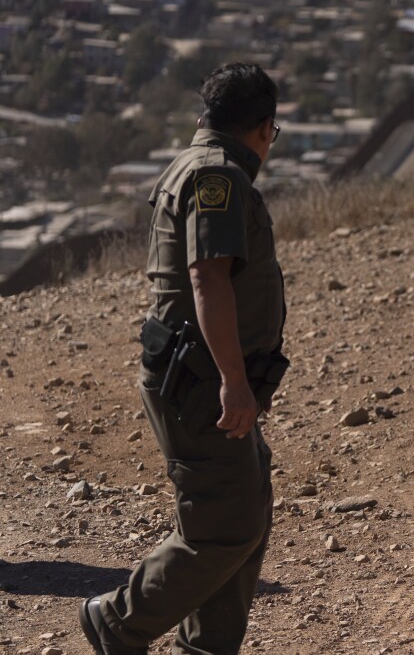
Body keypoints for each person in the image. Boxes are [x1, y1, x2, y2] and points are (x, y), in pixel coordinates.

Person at [81, 63, 289, 655]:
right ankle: (117, 622)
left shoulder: (200, 164)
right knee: (226, 527)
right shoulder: (217, 175)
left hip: (200, 375)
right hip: (200, 380)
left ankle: (205, 647)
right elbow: (208, 279)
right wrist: (232, 381)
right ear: (262, 128)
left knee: (243, 518)